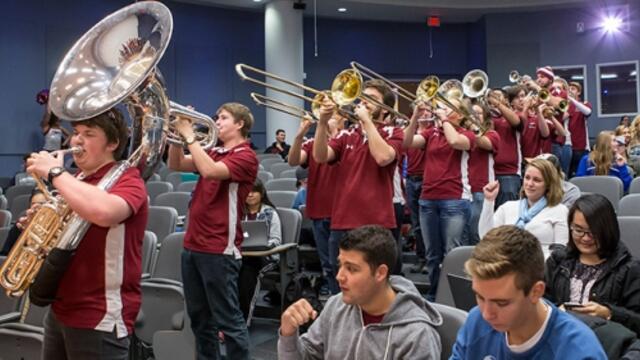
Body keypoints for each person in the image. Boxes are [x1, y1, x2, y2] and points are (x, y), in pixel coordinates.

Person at [27, 107, 148, 359]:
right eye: (76, 133)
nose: (77, 141)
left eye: (89, 134)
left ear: (112, 143)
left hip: (98, 315)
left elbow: (103, 211)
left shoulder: (128, 180)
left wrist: (55, 173)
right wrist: (41, 225)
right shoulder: (78, 180)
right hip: (60, 309)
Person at [168, 102, 258, 359]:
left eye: (224, 118)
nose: (217, 121)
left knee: (228, 321)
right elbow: (176, 165)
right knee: (199, 320)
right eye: (217, 117)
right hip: (193, 244)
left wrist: (190, 135)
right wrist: (177, 136)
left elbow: (209, 171)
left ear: (240, 124)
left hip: (219, 247)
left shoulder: (245, 155)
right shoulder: (214, 150)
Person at [278, 225, 443, 359]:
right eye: (340, 265)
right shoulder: (336, 305)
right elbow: (308, 354)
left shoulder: (416, 335)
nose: (339, 276)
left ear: (380, 273)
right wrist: (288, 335)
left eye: (351, 269)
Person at [451, 225, 607, 359]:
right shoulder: (476, 322)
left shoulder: (579, 351)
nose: (486, 314)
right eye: (480, 297)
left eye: (501, 303)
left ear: (536, 292)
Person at [312, 79, 403, 295]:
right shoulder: (346, 135)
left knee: (374, 285)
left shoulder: (393, 132)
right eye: (364, 98)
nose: (365, 102)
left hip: (377, 222)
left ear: (386, 108)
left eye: (372, 99)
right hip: (343, 221)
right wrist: (322, 123)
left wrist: (367, 123)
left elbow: (382, 157)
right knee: (340, 285)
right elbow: (320, 156)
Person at [403, 96, 475, 301]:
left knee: (452, 253)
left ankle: (454, 298)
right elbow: (407, 142)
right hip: (428, 199)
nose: (440, 109)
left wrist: (443, 120)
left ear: (459, 115)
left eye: (447, 107)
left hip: (454, 199)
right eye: (441, 106)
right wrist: (416, 117)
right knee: (432, 255)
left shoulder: (467, 133)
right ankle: (435, 295)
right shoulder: (431, 133)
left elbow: (454, 142)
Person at [544, 194, 640, 335]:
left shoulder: (629, 269)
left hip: (607, 346)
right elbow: (538, 302)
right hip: (560, 339)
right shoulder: (557, 261)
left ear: (607, 230)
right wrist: (556, 310)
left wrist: (609, 313)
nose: (585, 238)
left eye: (593, 232)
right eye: (578, 230)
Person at [288, 111, 346, 293]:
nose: (328, 117)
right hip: (320, 210)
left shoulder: (350, 140)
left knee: (345, 263)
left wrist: (335, 131)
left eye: (333, 114)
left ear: (343, 118)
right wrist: (299, 135)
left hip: (344, 212)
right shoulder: (311, 143)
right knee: (328, 264)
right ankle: (335, 302)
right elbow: (293, 161)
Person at [479, 158, 568, 256]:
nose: (530, 184)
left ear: (548, 184)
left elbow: (560, 252)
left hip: (542, 267)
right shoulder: (507, 207)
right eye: (527, 178)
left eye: (537, 180)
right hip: (507, 263)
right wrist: (489, 201)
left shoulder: (559, 210)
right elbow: (486, 237)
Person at [238, 178, 282, 318]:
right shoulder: (238, 213)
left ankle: (244, 319)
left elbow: (276, 240)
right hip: (241, 255)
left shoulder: (270, 214)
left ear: (261, 193)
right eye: (247, 192)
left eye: (254, 191)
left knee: (247, 272)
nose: (250, 194)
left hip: (265, 257)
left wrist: (263, 246)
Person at [0, 187, 47, 256]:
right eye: (33, 204)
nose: (36, 208)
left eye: (42, 204)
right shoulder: (20, 226)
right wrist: (22, 233)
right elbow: (6, 254)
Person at [567, 81, 592, 178]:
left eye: (573, 89)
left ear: (579, 92)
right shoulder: (565, 105)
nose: (570, 91)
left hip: (581, 147)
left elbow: (588, 112)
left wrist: (572, 101)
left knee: (580, 176)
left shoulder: (584, 104)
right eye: (568, 89)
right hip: (567, 146)